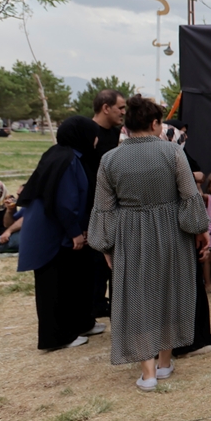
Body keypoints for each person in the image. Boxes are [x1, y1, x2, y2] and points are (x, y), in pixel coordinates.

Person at [88, 95, 210, 391]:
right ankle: (165, 362)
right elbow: (189, 195)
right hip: (172, 232)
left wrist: (106, 245)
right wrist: (199, 229)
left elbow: (103, 207)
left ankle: (149, 372)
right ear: (155, 123)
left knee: (137, 296)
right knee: (171, 290)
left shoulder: (110, 159)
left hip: (129, 234)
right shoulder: (172, 152)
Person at [18, 118, 103, 350]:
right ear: (83, 135)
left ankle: (81, 323)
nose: (97, 139)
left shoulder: (64, 154)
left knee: (75, 279)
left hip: (56, 228)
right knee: (53, 286)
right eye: (94, 134)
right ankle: (55, 338)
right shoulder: (67, 160)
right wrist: (74, 233)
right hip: (50, 233)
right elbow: (65, 202)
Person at [84, 89, 127, 319]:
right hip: (92, 208)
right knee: (95, 263)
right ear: (105, 107)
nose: (123, 112)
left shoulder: (119, 135)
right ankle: (94, 305)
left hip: (117, 209)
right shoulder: (88, 134)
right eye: (120, 107)